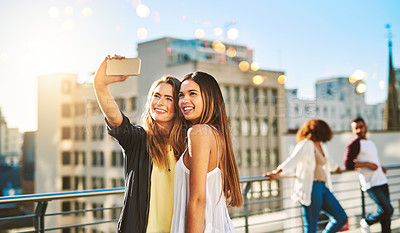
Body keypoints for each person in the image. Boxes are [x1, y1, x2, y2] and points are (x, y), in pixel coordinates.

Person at [93, 55, 186, 233]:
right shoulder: (137, 139)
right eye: (156, 96)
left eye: (168, 98)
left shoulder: (186, 145)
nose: (159, 102)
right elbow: (115, 119)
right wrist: (100, 84)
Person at [170, 71, 243, 233]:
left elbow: (198, 200)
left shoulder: (198, 132)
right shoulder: (216, 134)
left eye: (192, 94)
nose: (184, 100)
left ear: (209, 98)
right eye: (181, 95)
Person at [264, 119, 347, 233]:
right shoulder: (306, 144)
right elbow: (292, 159)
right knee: (311, 226)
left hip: (322, 187)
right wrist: (277, 172)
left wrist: (337, 168)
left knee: (341, 217)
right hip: (311, 187)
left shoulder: (321, 146)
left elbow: (328, 161)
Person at [344, 117, 393, 233]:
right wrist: (367, 164)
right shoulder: (354, 144)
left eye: (361, 127)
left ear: (365, 127)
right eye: (356, 128)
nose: (359, 130)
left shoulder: (370, 142)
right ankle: (366, 221)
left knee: (386, 218)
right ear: (353, 131)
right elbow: (348, 164)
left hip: (382, 180)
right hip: (371, 183)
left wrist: (379, 167)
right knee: (387, 210)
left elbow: (373, 158)